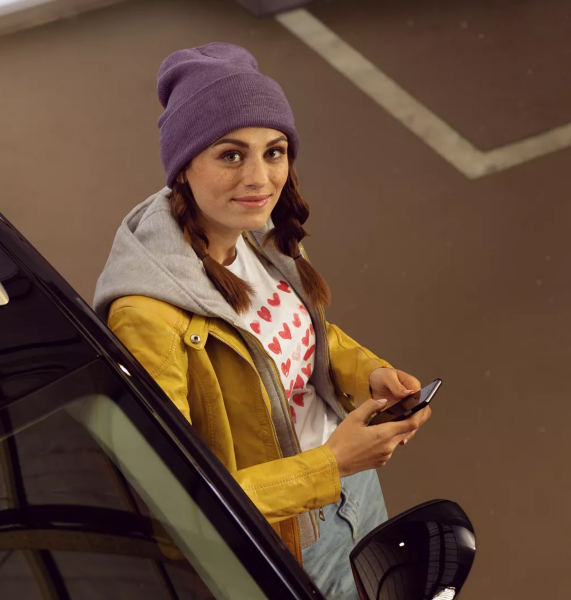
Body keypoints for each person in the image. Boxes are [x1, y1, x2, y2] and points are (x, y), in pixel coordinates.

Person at [93, 42, 431, 600]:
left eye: (274, 152)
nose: (260, 178)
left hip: (354, 485)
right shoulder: (146, 316)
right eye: (231, 155)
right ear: (184, 167)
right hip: (291, 533)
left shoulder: (256, 237)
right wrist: (328, 465)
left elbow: (301, 337)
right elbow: (174, 499)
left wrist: (369, 374)